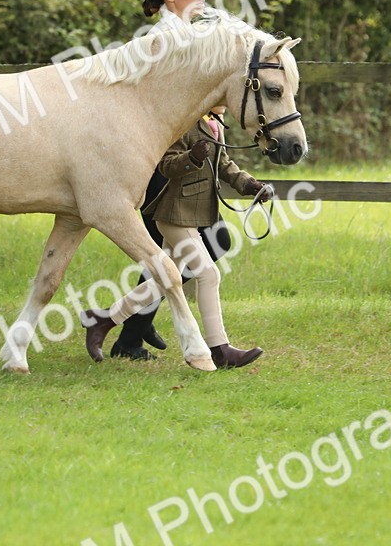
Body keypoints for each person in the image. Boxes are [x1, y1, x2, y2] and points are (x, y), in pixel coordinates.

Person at [106, 0, 268, 365]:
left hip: (188, 157)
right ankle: (130, 327)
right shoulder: (162, 42)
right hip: (166, 160)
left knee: (182, 252)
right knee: (188, 251)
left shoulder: (190, 35)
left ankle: (128, 329)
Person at [86, 111, 270, 368]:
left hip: (195, 213)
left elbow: (223, 163)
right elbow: (167, 165)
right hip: (175, 215)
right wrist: (191, 158)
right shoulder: (183, 120)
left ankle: (105, 319)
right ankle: (220, 349)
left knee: (164, 279)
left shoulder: (214, 122)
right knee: (209, 275)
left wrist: (249, 184)